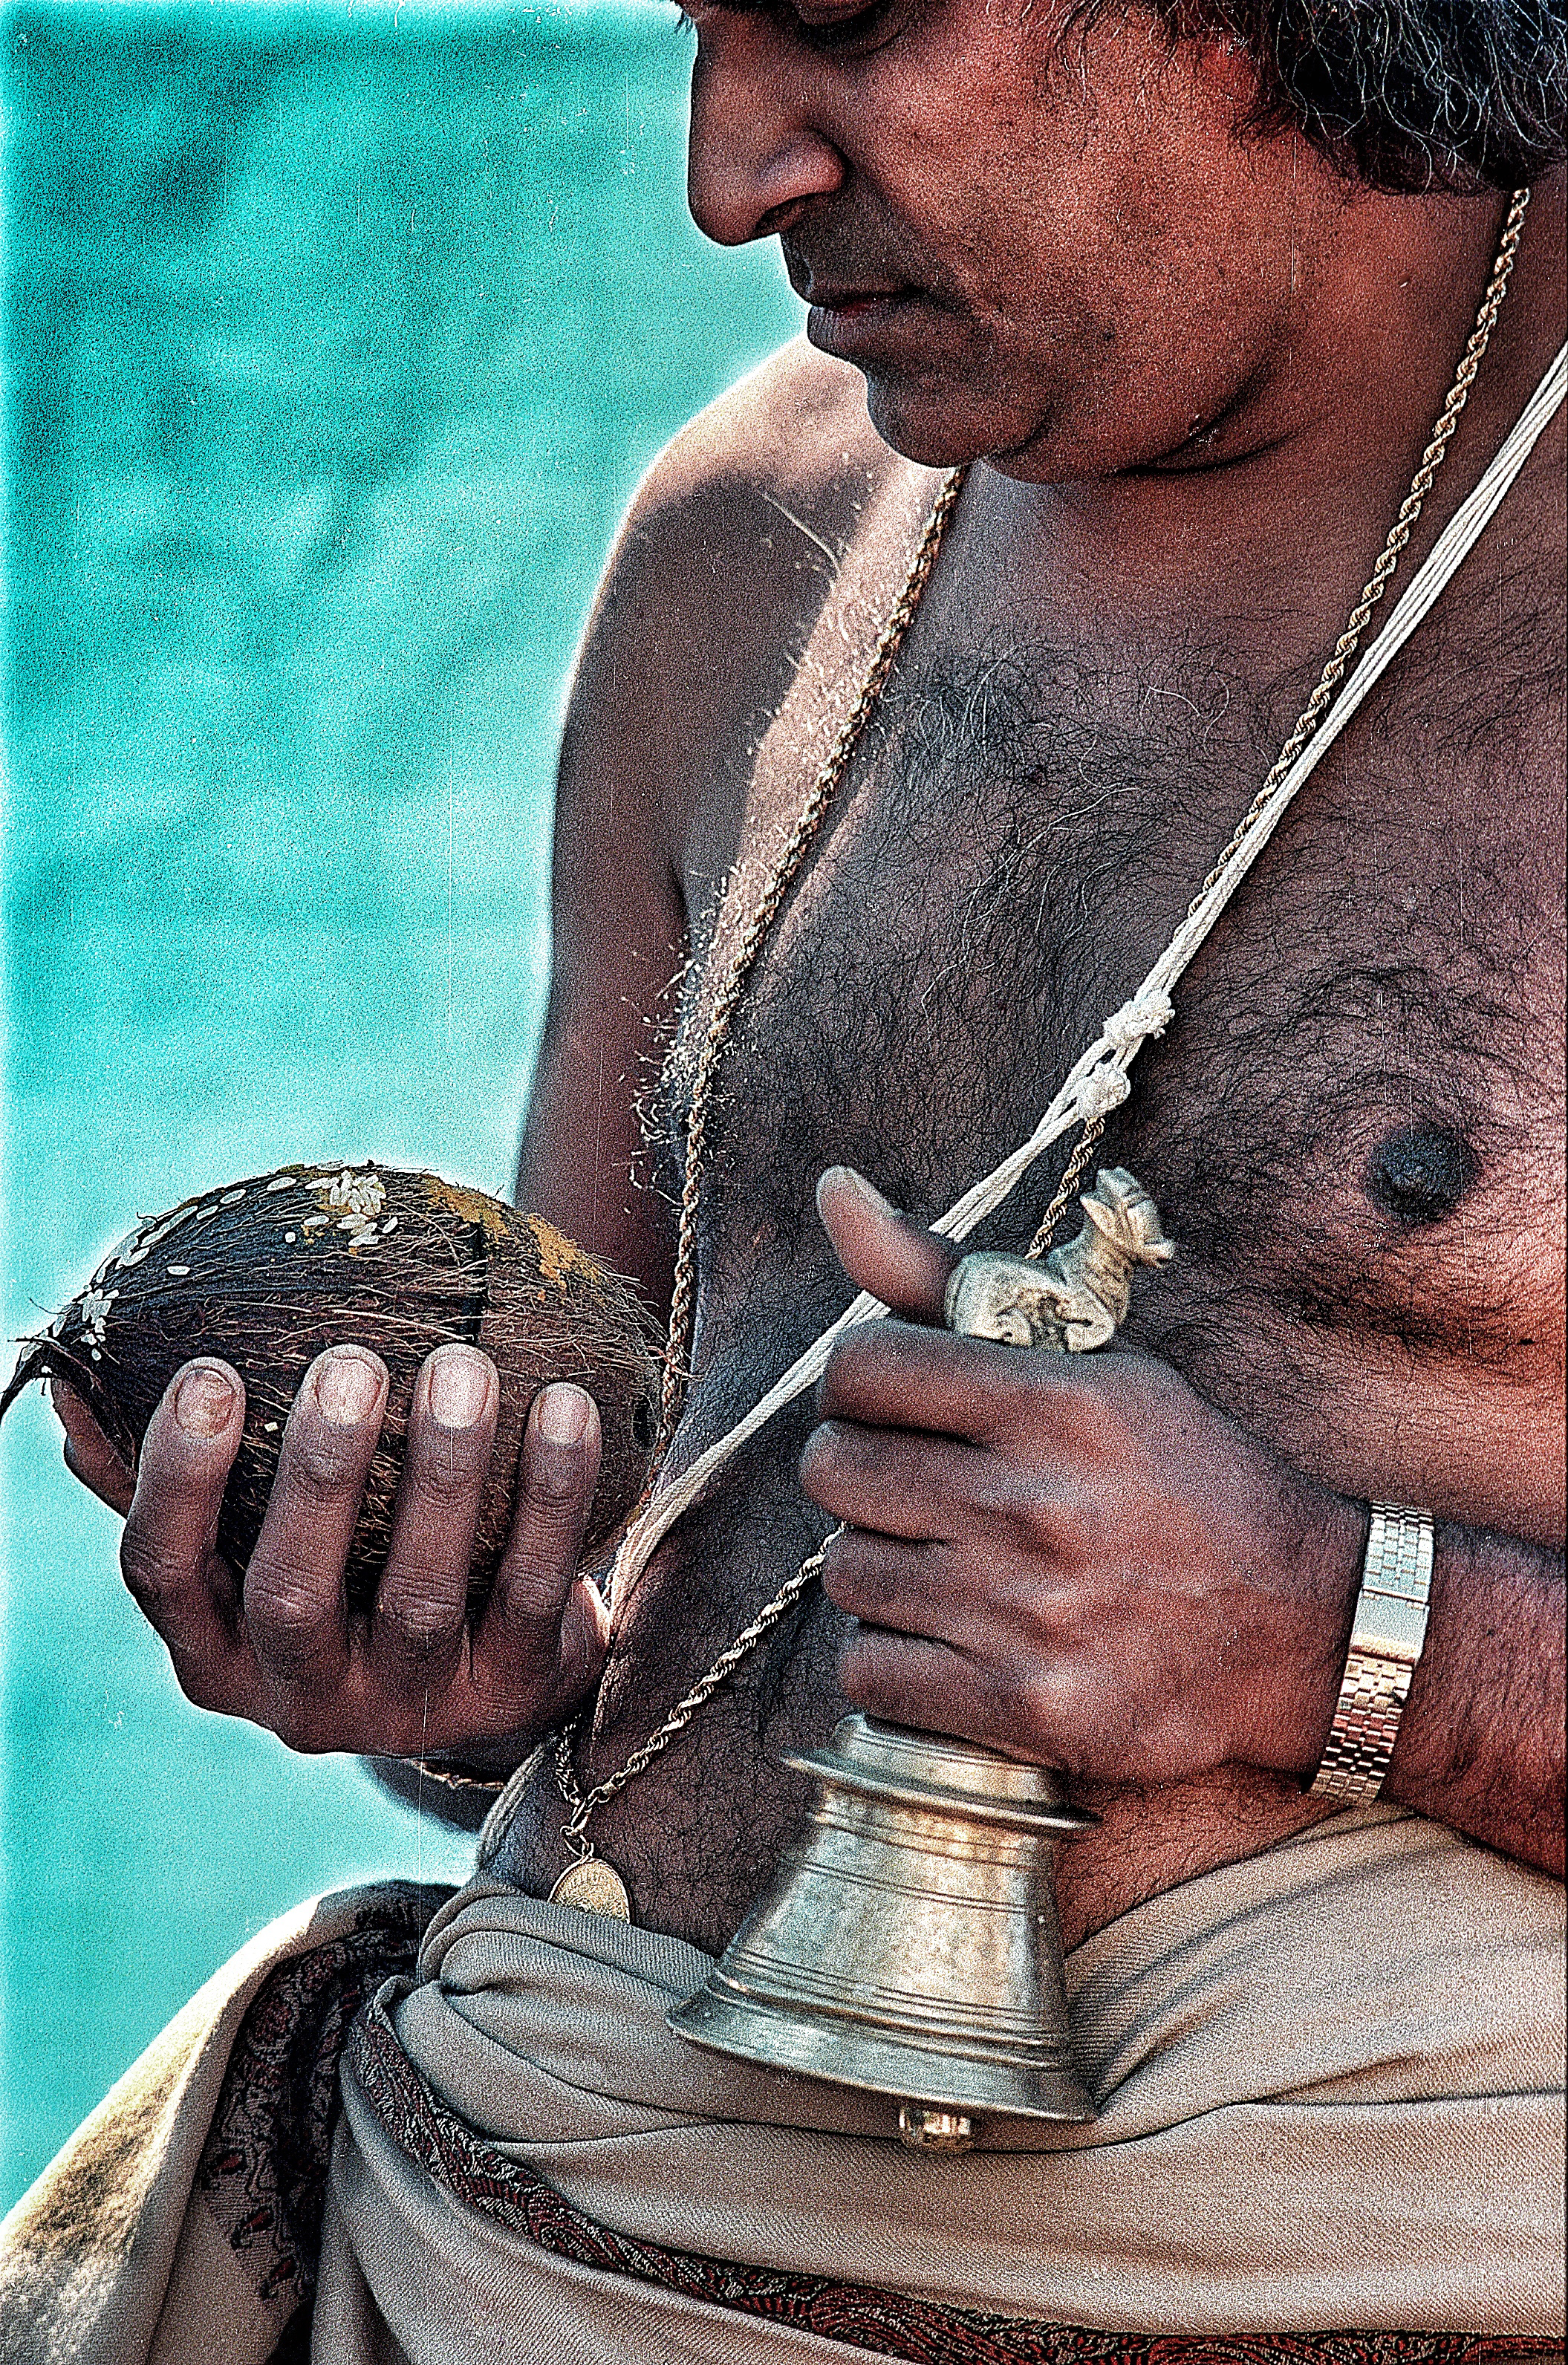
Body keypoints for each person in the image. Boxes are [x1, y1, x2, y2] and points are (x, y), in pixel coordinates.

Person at [4, 0, 1564, 2355]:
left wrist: (1341, 1636)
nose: (726, 176)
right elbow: (612, 1653)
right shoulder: (753, 542)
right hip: (487, 2230)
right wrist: (431, 1641)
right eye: (693, 24)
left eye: (838, 19)